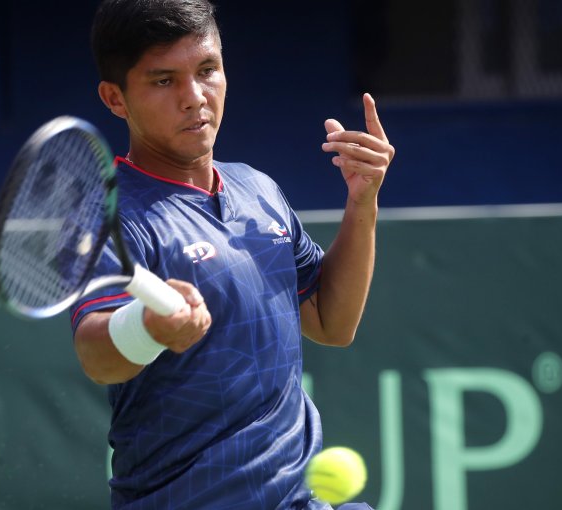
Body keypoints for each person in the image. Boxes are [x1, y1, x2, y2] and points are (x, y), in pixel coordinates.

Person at [70, 0, 394, 508]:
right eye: (163, 81)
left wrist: (362, 202)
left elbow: (332, 321)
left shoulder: (257, 187)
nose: (194, 97)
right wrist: (149, 329)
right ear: (115, 98)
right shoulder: (114, 218)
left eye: (207, 71)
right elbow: (96, 354)